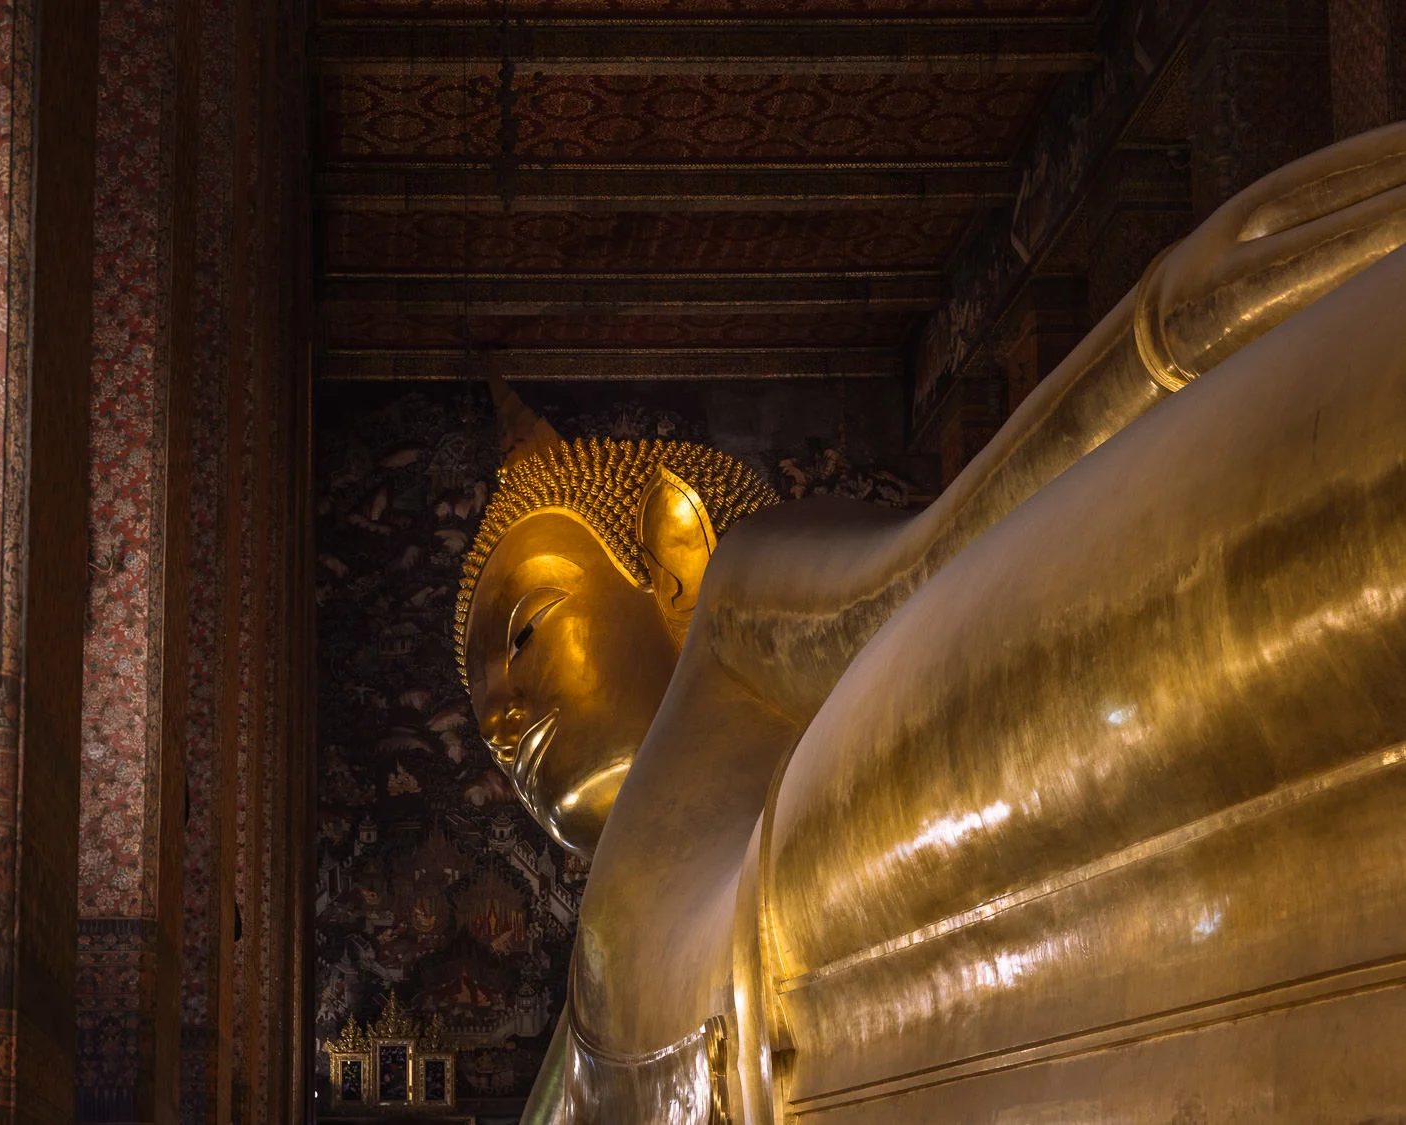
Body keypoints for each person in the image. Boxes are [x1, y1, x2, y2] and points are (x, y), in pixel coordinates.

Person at [458, 123, 1406, 1124]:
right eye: (484, 718)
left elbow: (927, 556)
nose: (507, 717)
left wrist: (1174, 333)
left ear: (670, 557)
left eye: (522, 638)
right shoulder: (576, 1022)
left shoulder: (737, 602)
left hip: (855, 877)